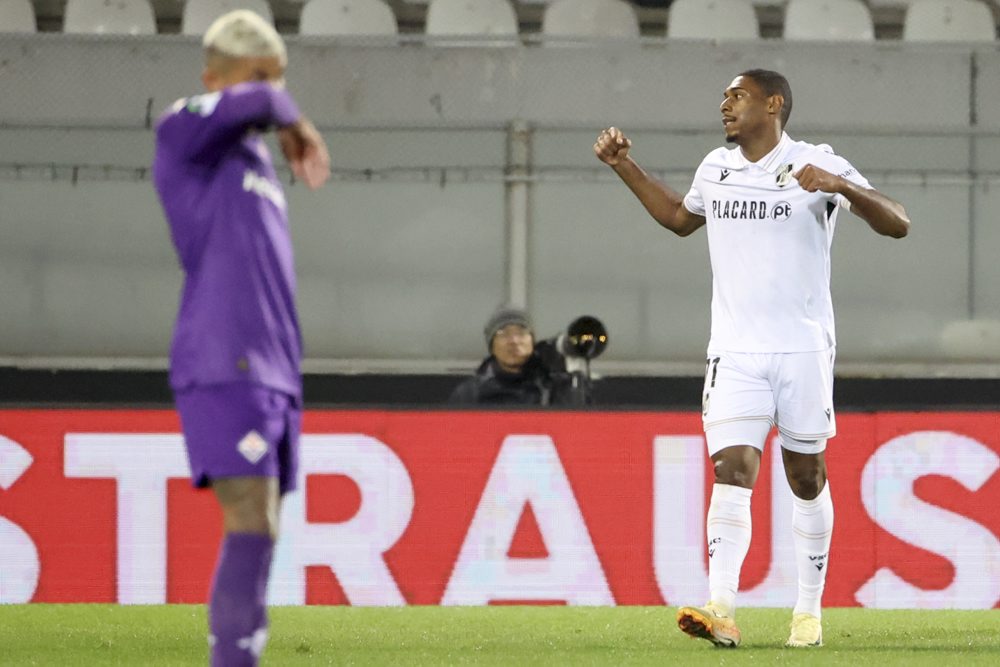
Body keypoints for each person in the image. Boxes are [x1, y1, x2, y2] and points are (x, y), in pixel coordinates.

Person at [594, 69, 909, 648]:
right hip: (734, 352)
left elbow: (898, 223)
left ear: (773, 103)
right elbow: (678, 219)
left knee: (805, 476)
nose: (723, 105)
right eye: (723, 97)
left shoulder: (817, 162)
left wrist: (841, 188)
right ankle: (721, 608)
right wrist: (623, 166)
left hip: (803, 350)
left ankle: (807, 615)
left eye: (735, 96)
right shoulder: (716, 167)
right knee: (730, 472)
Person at [152, 10, 330, 666]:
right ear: (214, 76)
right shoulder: (181, 128)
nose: (275, 92)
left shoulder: (251, 155)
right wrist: (295, 120)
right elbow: (259, 99)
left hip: (274, 367)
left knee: (265, 528)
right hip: (225, 354)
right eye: (260, 76)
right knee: (250, 519)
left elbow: (261, 100)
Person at [449, 306, 587, 406]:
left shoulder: (553, 386)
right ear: (492, 346)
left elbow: (577, 431)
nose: (514, 341)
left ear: (532, 341)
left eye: (521, 333)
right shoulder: (470, 392)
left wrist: (572, 380)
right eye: (503, 334)